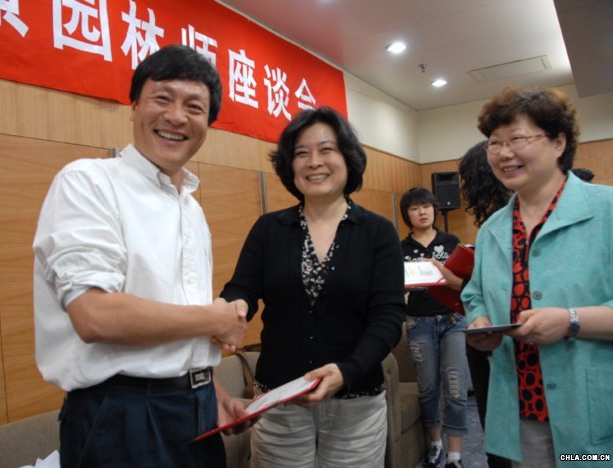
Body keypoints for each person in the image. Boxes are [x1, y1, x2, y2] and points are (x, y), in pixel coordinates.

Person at [33, 45, 251, 468]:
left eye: (194, 107)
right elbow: (95, 317)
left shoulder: (191, 208)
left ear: (208, 123)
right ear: (133, 107)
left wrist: (212, 392)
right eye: (162, 98)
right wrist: (216, 318)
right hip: (120, 416)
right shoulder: (88, 182)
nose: (176, 117)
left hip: (195, 409)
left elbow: (176, 329)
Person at [220, 106, 405, 468]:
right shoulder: (269, 229)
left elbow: (388, 316)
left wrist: (348, 371)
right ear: (289, 165)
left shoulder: (378, 232)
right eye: (301, 153)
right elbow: (241, 288)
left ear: (348, 157)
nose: (313, 162)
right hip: (280, 399)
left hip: (356, 399)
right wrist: (233, 308)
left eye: (326, 150)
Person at [461, 86, 613, 467]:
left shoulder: (606, 211)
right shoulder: (492, 229)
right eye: (494, 143)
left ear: (559, 142)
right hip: (523, 409)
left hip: (596, 409)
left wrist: (571, 321)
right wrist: (480, 320)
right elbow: (475, 293)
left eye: (517, 139)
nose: (503, 153)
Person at [399, 187, 468, 468]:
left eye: (426, 206)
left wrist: (444, 273)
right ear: (407, 215)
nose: (422, 212)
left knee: (456, 388)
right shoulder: (400, 249)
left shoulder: (451, 242)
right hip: (419, 323)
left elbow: (465, 284)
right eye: (415, 208)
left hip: (453, 321)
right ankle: (435, 444)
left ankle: (455, 455)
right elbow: (394, 288)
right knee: (427, 388)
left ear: (434, 209)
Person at [457, 141, 512, 468]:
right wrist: (474, 304)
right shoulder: (492, 226)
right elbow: (477, 290)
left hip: (511, 339)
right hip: (485, 337)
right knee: (500, 438)